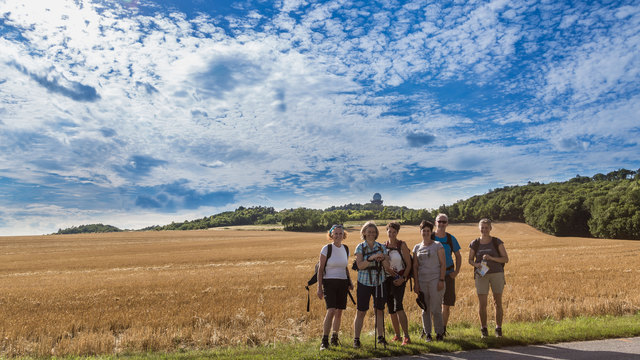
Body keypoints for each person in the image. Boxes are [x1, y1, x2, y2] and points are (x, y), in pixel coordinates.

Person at [352, 221, 393, 348]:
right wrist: (371, 258)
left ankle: (380, 337)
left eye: (373, 232)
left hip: (379, 282)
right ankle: (356, 339)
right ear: (364, 232)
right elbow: (360, 265)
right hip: (364, 282)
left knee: (379, 310)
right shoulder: (360, 247)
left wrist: (383, 259)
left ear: (376, 234)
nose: (371, 234)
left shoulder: (381, 247)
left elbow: (387, 267)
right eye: (368, 232)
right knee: (361, 311)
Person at [468, 218, 509, 338]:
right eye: (482, 227)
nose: (484, 230)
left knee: (497, 302)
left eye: (486, 227)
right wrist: (476, 265)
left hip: (497, 273)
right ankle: (484, 329)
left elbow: (505, 259)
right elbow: (470, 260)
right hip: (481, 275)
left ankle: (498, 328)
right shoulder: (474, 243)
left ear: (490, 228)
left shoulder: (497, 242)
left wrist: (491, 258)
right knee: (482, 303)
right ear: (479, 228)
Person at [317, 224, 354, 350]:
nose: (338, 236)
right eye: (336, 233)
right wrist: (319, 288)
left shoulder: (346, 248)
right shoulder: (326, 249)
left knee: (339, 312)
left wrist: (350, 281)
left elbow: (345, 267)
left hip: (343, 282)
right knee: (331, 310)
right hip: (329, 282)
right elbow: (320, 270)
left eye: (340, 233)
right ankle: (324, 340)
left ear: (344, 235)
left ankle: (334, 337)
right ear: (331, 235)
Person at [413, 220, 446, 341]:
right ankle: (427, 333)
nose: (426, 233)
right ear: (420, 232)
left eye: (428, 231)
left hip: (436, 280)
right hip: (422, 281)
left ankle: (439, 333)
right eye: (423, 231)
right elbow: (415, 267)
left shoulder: (437, 245)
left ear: (431, 232)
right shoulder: (417, 247)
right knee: (425, 309)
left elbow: (443, 264)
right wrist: (416, 284)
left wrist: (441, 280)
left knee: (436, 308)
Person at [383, 222, 412, 345]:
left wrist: (403, 278)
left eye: (394, 232)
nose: (391, 234)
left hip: (399, 279)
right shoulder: (383, 246)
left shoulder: (402, 245)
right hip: (387, 280)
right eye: (389, 231)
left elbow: (409, 264)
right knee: (391, 309)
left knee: (398, 306)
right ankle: (397, 335)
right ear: (387, 232)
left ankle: (406, 337)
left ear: (397, 233)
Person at [432, 213, 461, 336]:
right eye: (440, 221)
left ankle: (442, 330)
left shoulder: (450, 238)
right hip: (433, 275)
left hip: (449, 274)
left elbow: (458, 256)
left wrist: (456, 272)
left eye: (444, 222)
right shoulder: (430, 237)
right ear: (435, 222)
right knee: (433, 305)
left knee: (446, 305)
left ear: (447, 223)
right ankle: (433, 329)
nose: (442, 224)